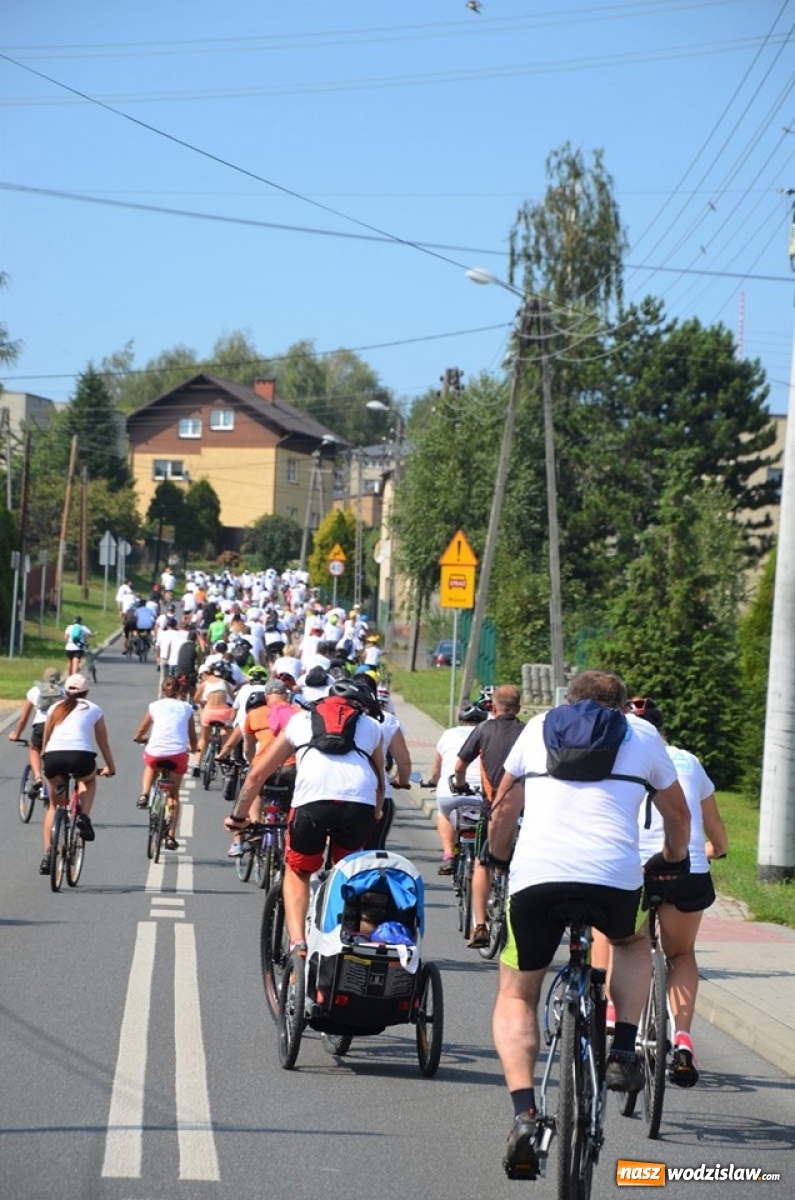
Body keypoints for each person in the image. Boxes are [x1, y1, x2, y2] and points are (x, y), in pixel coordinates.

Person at [486, 669, 690, 1178]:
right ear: (621, 707)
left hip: (537, 878)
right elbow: (679, 816)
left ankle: (525, 1115)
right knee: (631, 940)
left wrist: (498, 855)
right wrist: (672, 858)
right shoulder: (642, 733)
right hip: (613, 879)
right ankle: (622, 1048)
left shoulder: (537, 728)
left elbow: (504, 808)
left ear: (569, 701)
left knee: (516, 994)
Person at [599, 696, 728, 1088]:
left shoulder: (612, 756)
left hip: (633, 868)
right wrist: (718, 848)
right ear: (662, 729)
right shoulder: (688, 761)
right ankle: (683, 1039)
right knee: (681, 953)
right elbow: (711, 820)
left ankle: (611, 1014)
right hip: (686, 869)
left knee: (619, 941)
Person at [225, 679, 385, 955]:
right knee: (346, 870)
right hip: (359, 803)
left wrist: (238, 817)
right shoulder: (372, 726)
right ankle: (345, 938)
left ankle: (298, 942)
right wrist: (377, 812)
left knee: (298, 871)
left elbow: (256, 775)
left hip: (312, 801)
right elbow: (380, 782)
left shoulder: (300, 720)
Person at [453, 684, 525, 948]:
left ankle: (480, 925)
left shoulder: (483, 729)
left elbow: (459, 766)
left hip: (493, 808)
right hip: (524, 809)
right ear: (519, 708)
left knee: (483, 861)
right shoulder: (528, 732)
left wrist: (460, 784)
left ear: (493, 707)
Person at [39, 673, 116, 875]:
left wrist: (46, 766)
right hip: (80, 757)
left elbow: (45, 742)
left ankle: (48, 855)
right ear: (87, 692)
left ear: (64, 691)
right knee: (88, 781)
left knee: (54, 806)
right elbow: (103, 743)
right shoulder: (94, 709)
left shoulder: (55, 708)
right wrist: (110, 767)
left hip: (53, 757)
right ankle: (83, 816)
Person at [132, 675, 198, 849]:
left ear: (162, 690)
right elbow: (192, 736)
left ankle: (144, 794)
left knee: (150, 764)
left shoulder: (154, 706)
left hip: (156, 752)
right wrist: (194, 748)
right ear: (179, 691)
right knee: (173, 795)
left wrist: (139, 737)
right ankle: (171, 836)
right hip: (177, 755)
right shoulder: (186, 708)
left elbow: (142, 728)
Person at [427, 703, 487, 875]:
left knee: (443, 814)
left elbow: (437, 769)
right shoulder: (490, 733)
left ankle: (448, 855)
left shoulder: (448, 734)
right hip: (483, 792)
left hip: (452, 790)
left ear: (461, 719)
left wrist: (433, 781)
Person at [8, 667, 65, 796]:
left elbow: (23, 719)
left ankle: (38, 777)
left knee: (34, 749)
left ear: (43, 678)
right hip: (58, 726)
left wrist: (16, 734)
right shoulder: (64, 691)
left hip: (41, 725)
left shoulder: (35, 691)